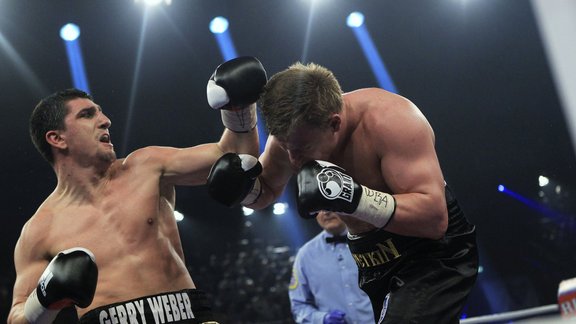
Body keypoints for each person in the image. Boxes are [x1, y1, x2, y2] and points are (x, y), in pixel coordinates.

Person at [208, 62, 479, 323]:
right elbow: (265, 192)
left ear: (334, 123)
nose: (292, 159)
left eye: (301, 148)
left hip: (432, 252)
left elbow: (434, 220)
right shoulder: (292, 135)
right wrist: (241, 188)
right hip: (369, 256)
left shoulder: (391, 121)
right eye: (287, 147)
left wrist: (355, 198)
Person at [8, 56, 267, 324]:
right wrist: (44, 299)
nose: (106, 120)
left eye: (101, 112)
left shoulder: (147, 166)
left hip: (187, 316)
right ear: (57, 138)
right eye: (87, 115)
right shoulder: (40, 229)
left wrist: (239, 106)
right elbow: (16, 316)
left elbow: (236, 157)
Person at [289, 211, 374, 324]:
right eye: (319, 208)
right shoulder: (305, 255)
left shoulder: (371, 242)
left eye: (329, 205)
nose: (326, 212)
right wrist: (322, 319)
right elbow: (298, 306)